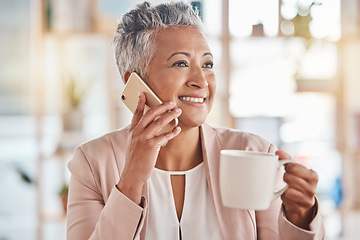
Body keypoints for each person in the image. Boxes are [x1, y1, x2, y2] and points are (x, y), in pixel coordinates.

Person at [66, 1, 325, 239]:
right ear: (134, 81)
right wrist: (131, 179)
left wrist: (300, 216)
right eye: (180, 64)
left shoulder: (253, 152)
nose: (201, 81)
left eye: (208, 64)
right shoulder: (92, 162)